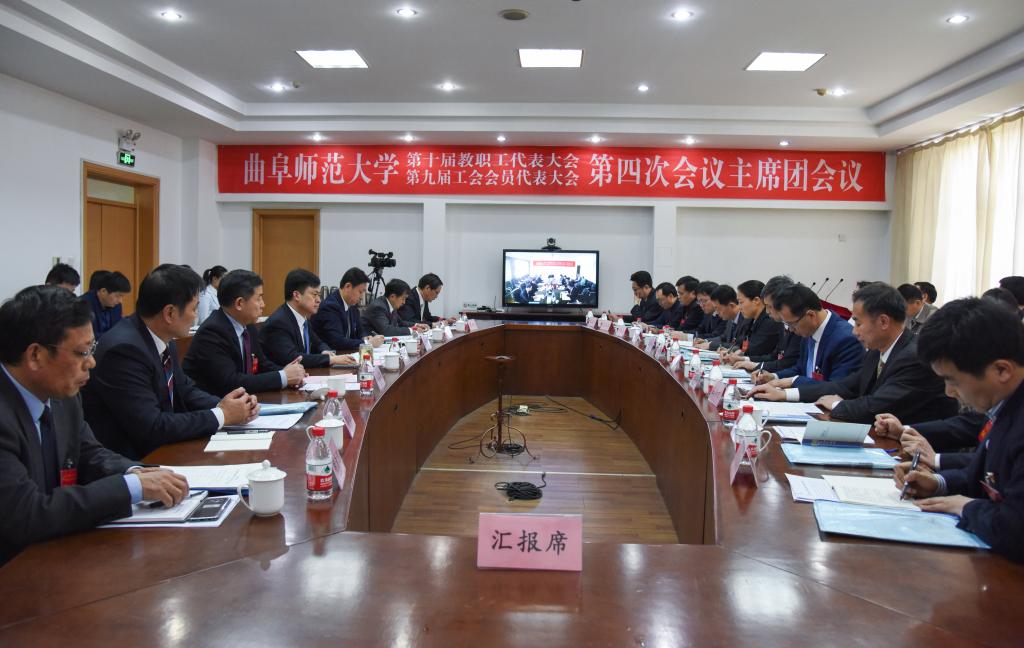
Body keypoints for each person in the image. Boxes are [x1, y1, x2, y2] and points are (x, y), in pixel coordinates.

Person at [0, 285, 191, 564]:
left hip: (54, 552)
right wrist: (130, 488)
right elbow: (27, 514)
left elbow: (88, 453)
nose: (91, 362)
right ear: (35, 356)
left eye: (92, 349)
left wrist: (136, 472)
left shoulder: (62, 396)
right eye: (81, 353)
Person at [894, 297, 1024, 562]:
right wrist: (939, 484)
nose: (949, 392)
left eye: (952, 381)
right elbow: (991, 477)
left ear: (1002, 370)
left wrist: (966, 507)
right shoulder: (1004, 404)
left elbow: (1016, 531)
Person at [83, 265, 258, 460]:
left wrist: (231, 405)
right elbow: (152, 426)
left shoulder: (162, 338)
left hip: (164, 448)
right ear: (170, 313)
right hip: (135, 460)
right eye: (194, 309)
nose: (196, 317)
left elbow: (185, 390)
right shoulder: (124, 351)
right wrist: (222, 415)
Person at [756, 283, 957, 424]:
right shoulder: (877, 352)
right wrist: (785, 394)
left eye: (859, 323)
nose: (854, 331)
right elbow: (847, 385)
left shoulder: (914, 357)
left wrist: (837, 404)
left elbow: (876, 406)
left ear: (883, 322)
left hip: (918, 452)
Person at [183, 270, 306, 398]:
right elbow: (231, 382)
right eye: (259, 298)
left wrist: (289, 373)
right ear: (239, 303)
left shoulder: (248, 326)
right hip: (215, 404)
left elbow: (262, 365)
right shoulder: (212, 332)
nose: (263, 305)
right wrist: (283, 377)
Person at [750, 283, 864, 390]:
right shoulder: (808, 329)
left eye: (792, 324)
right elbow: (801, 369)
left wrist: (787, 389)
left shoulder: (846, 339)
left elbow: (836, 387)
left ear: (811, 315)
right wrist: (774, 376)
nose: (791, 330)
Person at [259, 269, 355, 369]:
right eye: (314, 295)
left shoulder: (303, 318)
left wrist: (324, 351)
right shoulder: (279, 323)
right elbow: (293, 358)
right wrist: (331, 359)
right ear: (297, 295)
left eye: (319, 295)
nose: (319, 300)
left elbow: (318, 343)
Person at [732, 275, 801, 374]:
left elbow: (789, 363)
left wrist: (757, 366)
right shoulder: (783, 323)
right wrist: (746, 360)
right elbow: (774, 357)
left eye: (769, 306)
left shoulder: (774, 322)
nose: (767, 311)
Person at [311, 268, 384, 352]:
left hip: (346, 353)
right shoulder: (330, 307)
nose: (361, 297)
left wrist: (365, 337)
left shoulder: (352, 305)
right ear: (347, 286)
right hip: (331, 355)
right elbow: (337, 341)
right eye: (360, 292)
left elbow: (360, 331)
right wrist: (367, 343)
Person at [727, 280, 783, 358]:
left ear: (756, 300)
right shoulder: (749, 319)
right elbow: (739, 342)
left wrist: (739, 355)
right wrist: (731, 351)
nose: (739, 307)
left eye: (741, 302)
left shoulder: (770, 321)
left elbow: (755, 350)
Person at [362, 279, 429, 337]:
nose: (404, 302)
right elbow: (386, 331)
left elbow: (400, 323)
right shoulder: (378, 307)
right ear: (392, 296)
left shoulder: (391, 304)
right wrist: (412, 330)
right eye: (403, 299)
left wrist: (416, 325)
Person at [81, 270, 130, 339]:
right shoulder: (83, 304)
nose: (120, 301)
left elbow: (117, 330)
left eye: (122, 297)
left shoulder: (116, 305)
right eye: (118, 296)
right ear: (103, 291)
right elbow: (87, 335)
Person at [696, 284, 743, 350]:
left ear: (731, 305)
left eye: (717, 308)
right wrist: (706, 341)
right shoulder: (730, 319)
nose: (717, 313)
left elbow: (738, 346)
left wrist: (711, 345)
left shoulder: (745, 320)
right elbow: (723, 338)